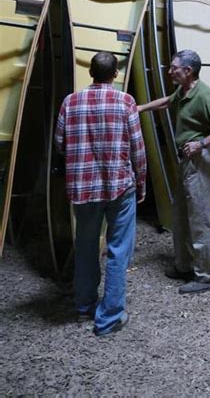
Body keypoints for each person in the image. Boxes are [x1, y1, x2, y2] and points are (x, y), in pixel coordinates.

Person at [54, 51, 146, 336]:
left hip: (83, 189)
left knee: (85, 245)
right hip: (119, 187)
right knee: (118, 251)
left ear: (91, 73)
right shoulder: (125, 102)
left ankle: (83, 307)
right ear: (115, 74)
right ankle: (109, 318)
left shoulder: (70, 102)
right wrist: (141, 183)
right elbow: (137, 148)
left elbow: (60, 143)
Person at [138, 49, 210, 295]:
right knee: (182, 215)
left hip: (199, 158)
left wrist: (202, 143)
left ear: (188, 71)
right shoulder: (184, 92)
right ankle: (185, 265)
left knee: (201, 217)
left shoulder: (202, 94)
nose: (170, 71)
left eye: (174, 67)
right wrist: (139, 108)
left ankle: (208, 276)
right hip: (187, 159)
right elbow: (166, 102)